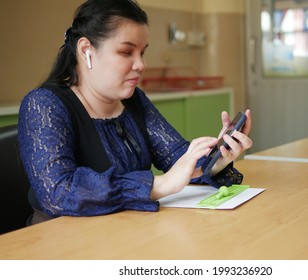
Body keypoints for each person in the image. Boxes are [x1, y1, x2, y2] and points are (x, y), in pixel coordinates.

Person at [17, 0, 253, 224]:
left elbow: (179, 158)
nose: (140, 64)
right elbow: (58, 193)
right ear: (86, 49)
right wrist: (160, 185)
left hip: (127, 231)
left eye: (142, 53)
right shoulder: (44, 105)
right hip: (65, 245)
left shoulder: (134, 100)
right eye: (126, 52)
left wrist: (218, 158)